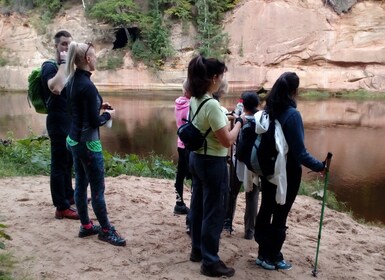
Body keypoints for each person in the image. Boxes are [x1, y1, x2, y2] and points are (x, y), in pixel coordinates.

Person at [254, 72, 325, 270]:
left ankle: (262, 253)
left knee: (266, 207)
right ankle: (273, 257)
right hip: (287, 173)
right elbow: (300, 153)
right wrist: (320, 166)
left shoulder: (269, 110)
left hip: (268, 169)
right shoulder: (292, 115)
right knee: (280, 213)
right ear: (293, 91)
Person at [188, 55, 244, 278]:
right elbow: (227, 141)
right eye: (221, 76)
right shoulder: (211, 104)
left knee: (198, 206)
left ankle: (197, 251)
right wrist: (239, 122)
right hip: (213, 162)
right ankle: (210, 261)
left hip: (197, 159)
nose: (222, 80)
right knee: (214, 211)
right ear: (213, 78)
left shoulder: (196, 98)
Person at [65, 41, 126, 246]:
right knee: (98, 190)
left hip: (73, 139)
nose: (97, 59)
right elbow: (94, 122)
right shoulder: (88, 86)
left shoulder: (72, 80)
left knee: (81, 184)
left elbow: (77, 109)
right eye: (95, 56)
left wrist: (100, 104)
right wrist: (108, 114)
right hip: (89, 144)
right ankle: (106, 230)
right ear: (88, 59)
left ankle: (86, 225)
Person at [40, 30, 79, 219]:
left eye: (69, 44)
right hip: (57, 122)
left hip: (69, 121)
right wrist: (64, 64)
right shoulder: (49, 66)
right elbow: (56, 88)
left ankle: (69, 197)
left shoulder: (67, 67)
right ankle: (61, 207)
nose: (66, 47)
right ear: (56, 46)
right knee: (58, 164)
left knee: (68, 162)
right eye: (63, 44)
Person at [225, 91, 261, 240]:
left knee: (231, 192)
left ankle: (227, 224)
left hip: (239, 162)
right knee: (252, 197)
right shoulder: (262, 120)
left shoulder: (242, 120)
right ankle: (249, 231)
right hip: (255, 164)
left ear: (243, 105)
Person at [173, 79, 191, 215]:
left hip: (180, 142)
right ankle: (192, 204)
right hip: (189, 144)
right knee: (194, 175)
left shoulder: (178, 103)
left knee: (180, 174)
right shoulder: (190, 106)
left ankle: (179, 203)